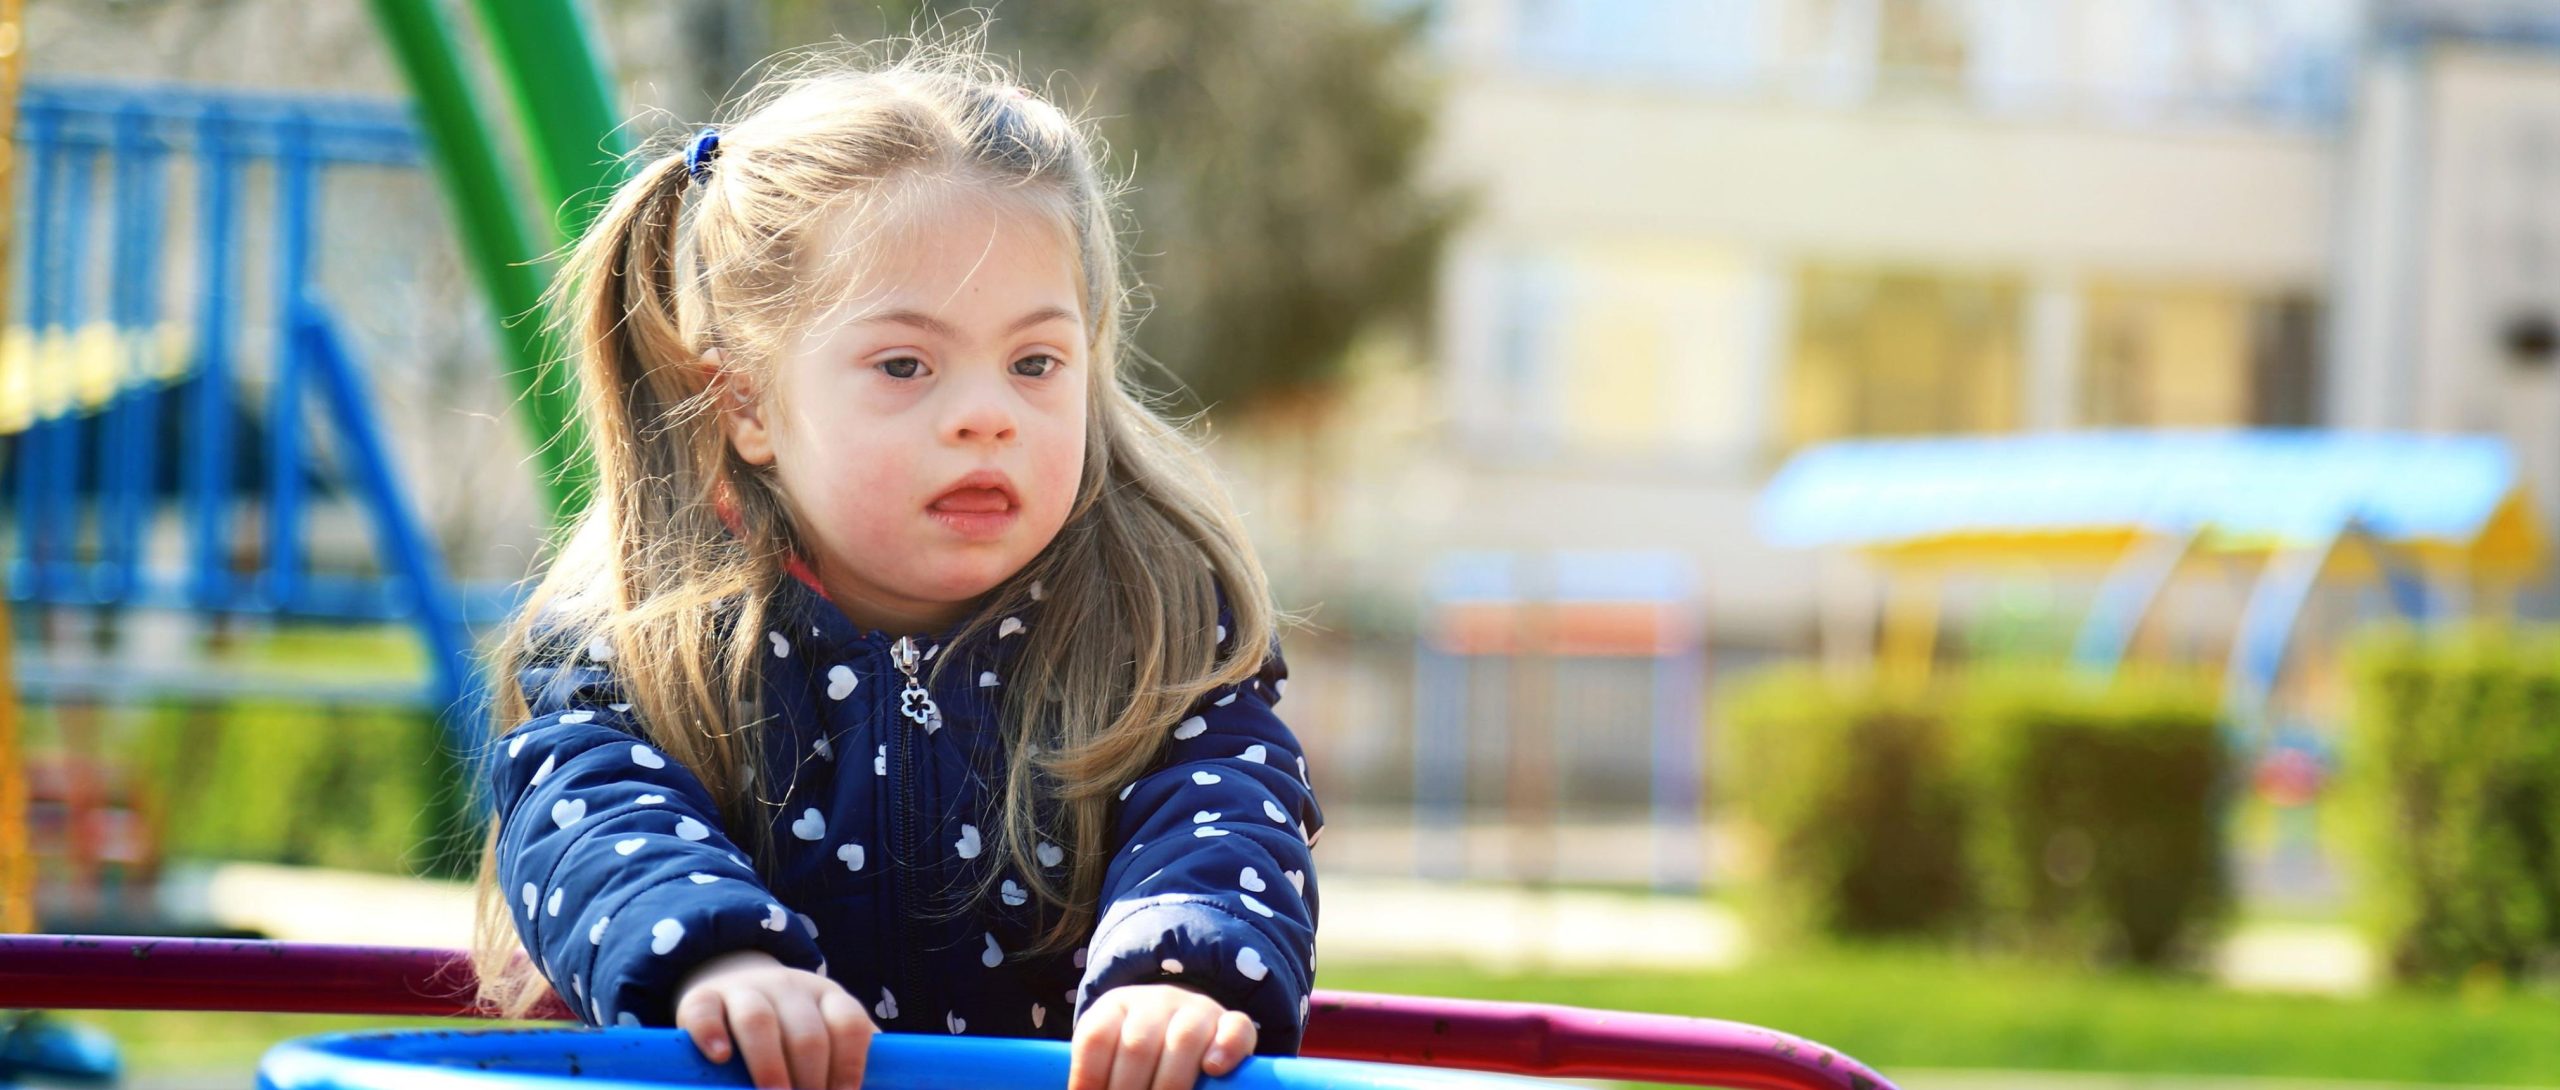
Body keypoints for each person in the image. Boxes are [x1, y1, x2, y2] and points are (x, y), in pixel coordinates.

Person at [464, 40, 1321, 1090]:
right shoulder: (645, 639)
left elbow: (1222, 807)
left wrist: (1179, 976)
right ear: (747, 405)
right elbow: (588, 809)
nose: (984, 417)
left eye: (1035, 362)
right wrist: (717, 955)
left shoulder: (1159, 624)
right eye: (905, 364)